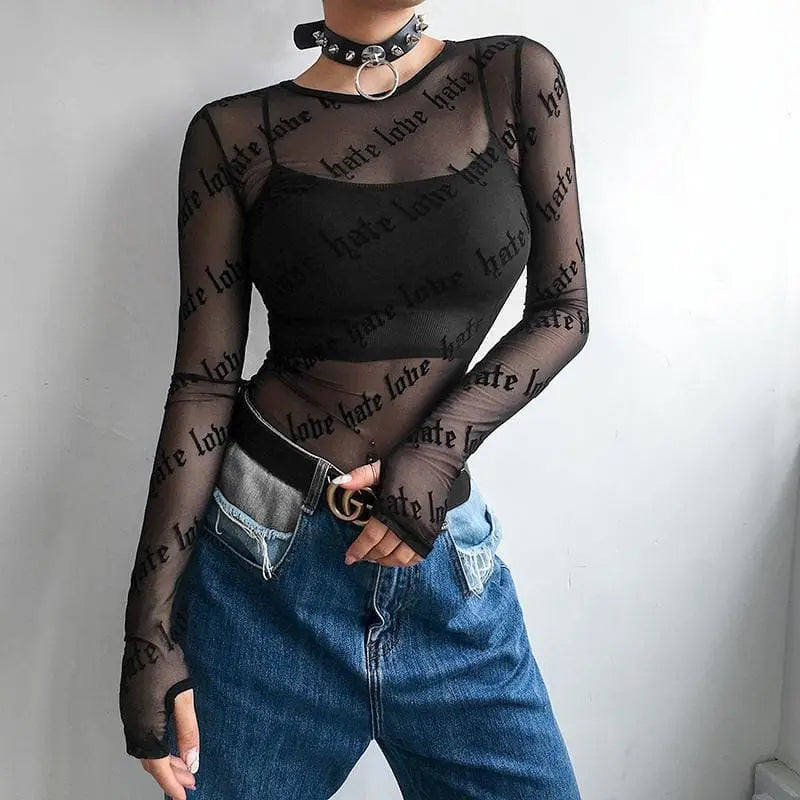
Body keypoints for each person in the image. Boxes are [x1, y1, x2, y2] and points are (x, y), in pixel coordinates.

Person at [118, 2, 590, 798]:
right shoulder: (234, 133)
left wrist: (437, 451)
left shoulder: (511, 76)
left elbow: (564, 311)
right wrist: (147, 634)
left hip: (446, 570)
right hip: (261, 571)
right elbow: (203, 385)